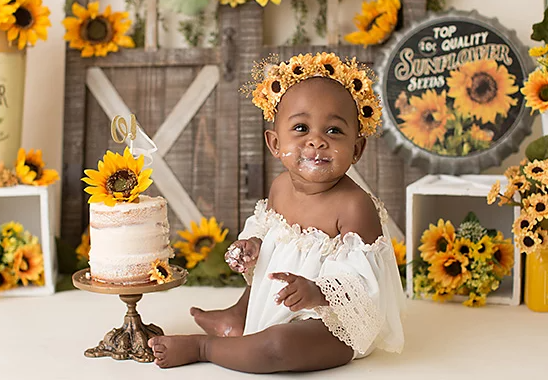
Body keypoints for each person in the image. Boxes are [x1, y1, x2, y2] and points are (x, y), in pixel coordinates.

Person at [148, 52, 406, 373]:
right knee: (267, 270)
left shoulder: (354, 205)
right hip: (281, 298)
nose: (316, 141)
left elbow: (365, 281)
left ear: (357, 148)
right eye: (301, 128)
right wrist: (252, 245)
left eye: (334, 132)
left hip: (332, 321)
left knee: (280, 346)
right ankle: (238, 318)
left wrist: (319, 292)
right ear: (274, 143)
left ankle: (205, 347)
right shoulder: (281, 187)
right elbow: (267, 229)